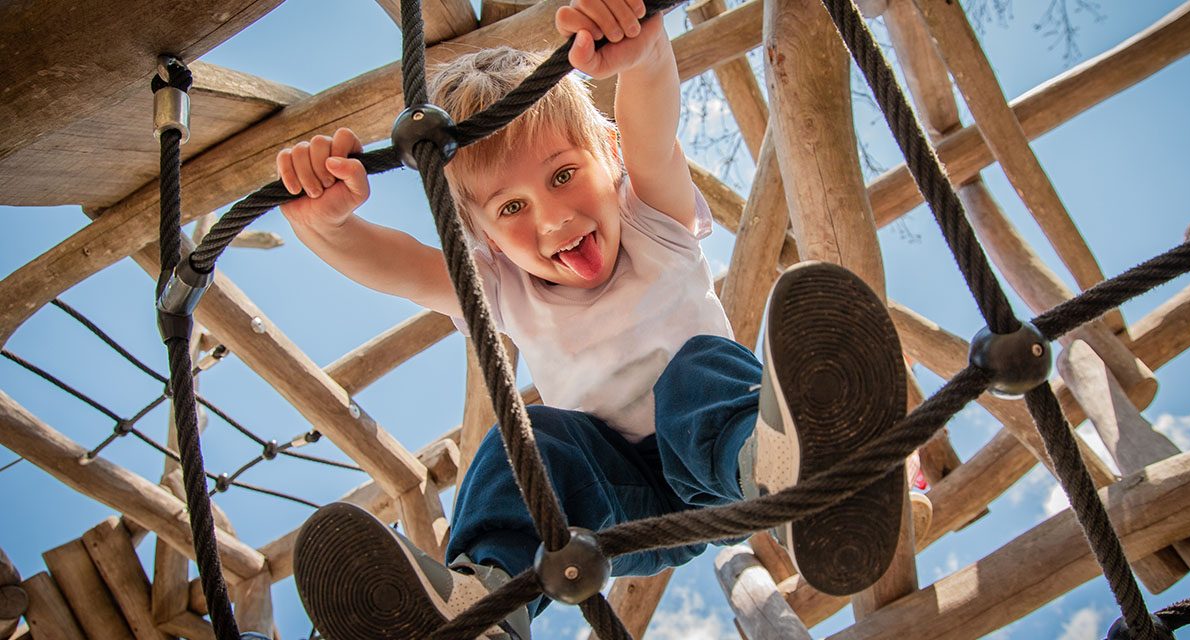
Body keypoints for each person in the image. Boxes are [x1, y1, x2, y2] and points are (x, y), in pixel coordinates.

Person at [277, 1, 906, 638]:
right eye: (511, 206)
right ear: (483, 237)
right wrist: (328, 226)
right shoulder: (502, 286)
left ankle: (786, 470)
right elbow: (401, 267)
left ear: (609, 155)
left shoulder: (650, 223)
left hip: (721, 463)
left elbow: (649, 131)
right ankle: (487, 601)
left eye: (564, 174)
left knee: (697, 371)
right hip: (610, 501)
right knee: (526, 444)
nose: (554, 219)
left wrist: (645, 53)